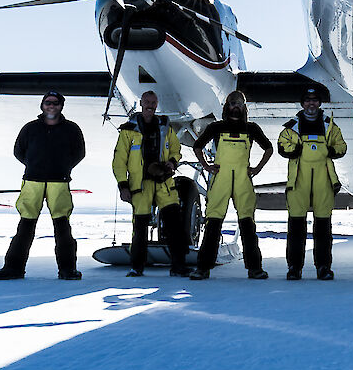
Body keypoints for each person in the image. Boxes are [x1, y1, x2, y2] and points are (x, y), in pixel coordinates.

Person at [0, 92, 86, 280]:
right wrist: (33, 166)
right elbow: (18, 151)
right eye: (48, 103)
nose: (51, 106)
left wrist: (63, 168)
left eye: (55, 103)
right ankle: (13, 268)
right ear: (42, 105)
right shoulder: (30, 128)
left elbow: (79, 153)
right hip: (32, 181)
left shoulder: (72, 129)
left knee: (62, 226)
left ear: (61, 106)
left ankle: (67, 270)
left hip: (59, 182)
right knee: (25, 225)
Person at [189, 90, 274, 280]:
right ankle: (203, 268)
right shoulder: (215, 127)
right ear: (226, 106)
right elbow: (197, 146)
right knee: (213, 223)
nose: (236, 107)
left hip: (243, 179)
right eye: (232, 103)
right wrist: (206, 166)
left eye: (239, 104)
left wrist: (257, 168)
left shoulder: (252, 128)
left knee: (247, 225)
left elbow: (269, 148)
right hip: (221, 179)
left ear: (244, 108)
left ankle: (255, 268)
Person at [112, 90, 187, 277]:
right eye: (147, 101)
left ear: (157, 103)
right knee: (140, 227)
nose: (150, 105)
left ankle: (178, 266)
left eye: (153, 102)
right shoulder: (128, 130)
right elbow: (119, 160)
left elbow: (176, 149)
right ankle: (137, 266)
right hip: (141, 186)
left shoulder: (165, 127)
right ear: (140, 103)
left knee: (174, 225)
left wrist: (172, 162)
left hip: (164, 183)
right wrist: (123, 185)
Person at [278, 87, 348, 280]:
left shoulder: (329, 125)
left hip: (323, 179)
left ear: (319, 103)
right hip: (298, 179)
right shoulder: (291, 126)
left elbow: (341, 146)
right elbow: (282, 144)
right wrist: (295, 150)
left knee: (323, 226)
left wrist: (332, 151)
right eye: (307, 100)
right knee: (296, 227)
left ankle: (323, 266)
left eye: (315, 100)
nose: (311, 103)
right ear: (302, 104)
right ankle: (294, 267)